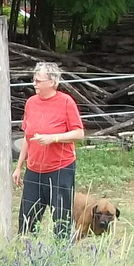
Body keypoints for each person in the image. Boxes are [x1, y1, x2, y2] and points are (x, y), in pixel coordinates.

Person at [13, 61, 85, 238]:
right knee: (27, 218)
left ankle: (61, 255)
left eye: (38, 80)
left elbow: (79, 133)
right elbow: (27, 137)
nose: (34, 84)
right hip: (34, 169)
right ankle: (25, 253)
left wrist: (54, 138)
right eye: (34, 80)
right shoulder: (31, 103)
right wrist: (19, 166)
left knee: (61, 217)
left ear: (52, 82)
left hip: (60, 169)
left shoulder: (66, 102)